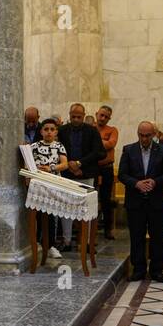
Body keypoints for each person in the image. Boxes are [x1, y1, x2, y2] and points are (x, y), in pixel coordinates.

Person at [118, 121, 163, 281]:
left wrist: (155, 182)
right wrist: (136, 183)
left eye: (148, 135)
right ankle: (139, 269)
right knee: (137, 236)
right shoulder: (129, 150)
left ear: (154, 135)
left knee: (157, 236)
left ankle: (156, 270)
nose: (144, 139)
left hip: (157, 200)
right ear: (138, 134)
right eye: (141, 135)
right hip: (135, 201)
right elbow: (122, 174)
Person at [57, 103, 103, 251]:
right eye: (73, 116)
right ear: (69, 115)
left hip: (86, 173)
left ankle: (87, 242)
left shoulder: (92, 131)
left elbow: (98, 152)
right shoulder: (62, 130)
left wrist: (79, 164)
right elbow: (58, 150)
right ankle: (67, 240)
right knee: (66, 208)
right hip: (66, 173)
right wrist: (70, 165)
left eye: (79, 117)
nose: (76, 119)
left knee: (86, 209)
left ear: (84, 116)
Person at [30, 117, 68, 259]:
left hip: (53, 184)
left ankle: (51, 245)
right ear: (41, 131)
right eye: (46, 129)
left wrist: (51, 168)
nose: (49, 132)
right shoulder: (34, 146)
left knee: (52, 215)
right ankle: (39, 243)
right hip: (38, 185)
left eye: (52, 129)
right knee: (39, 214)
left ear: (56, 132)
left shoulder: (59, 146)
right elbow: (28, 162)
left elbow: (64, 164)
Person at [95, 106, 119, 239]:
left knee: (106, 199)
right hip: (92, 167)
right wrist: (102, 141)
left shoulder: (112, 130)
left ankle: (108, 229)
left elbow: (111, 144)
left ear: (109, 118)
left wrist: (96, 141)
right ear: (96, 114)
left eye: (106, 116)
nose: (103, 118)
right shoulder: (90, 129)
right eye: (101, 115)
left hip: (106, 168)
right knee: (90, 197)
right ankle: (90, 229)